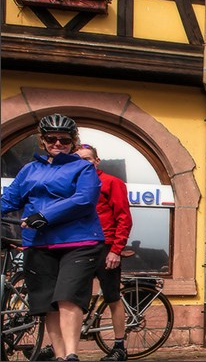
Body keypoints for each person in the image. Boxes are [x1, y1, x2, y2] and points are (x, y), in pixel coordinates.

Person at [1, 114, 105, 362]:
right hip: (38, 243)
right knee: (47, 302)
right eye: (51, 139)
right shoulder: (29, 170)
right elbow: (9, 200)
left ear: (73, 142)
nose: (57, 143)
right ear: (43, 140)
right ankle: (59, 356)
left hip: (78, 242)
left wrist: (44, 215)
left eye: (64, 139)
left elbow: (84, 199)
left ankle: (71, 355)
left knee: (67, 296)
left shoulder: (83, 167)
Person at [75, 144, 134, 361]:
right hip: (79, 247)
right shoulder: (72, 185)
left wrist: (116, 250)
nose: (83, 163)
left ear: (96, 161)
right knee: (70, 298)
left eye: (87, 159)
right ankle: (59, 347)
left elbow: (123, 218)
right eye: (78, 159)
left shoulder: (111, 182)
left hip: (106, 246)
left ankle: (119, 347)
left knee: (112, 296)